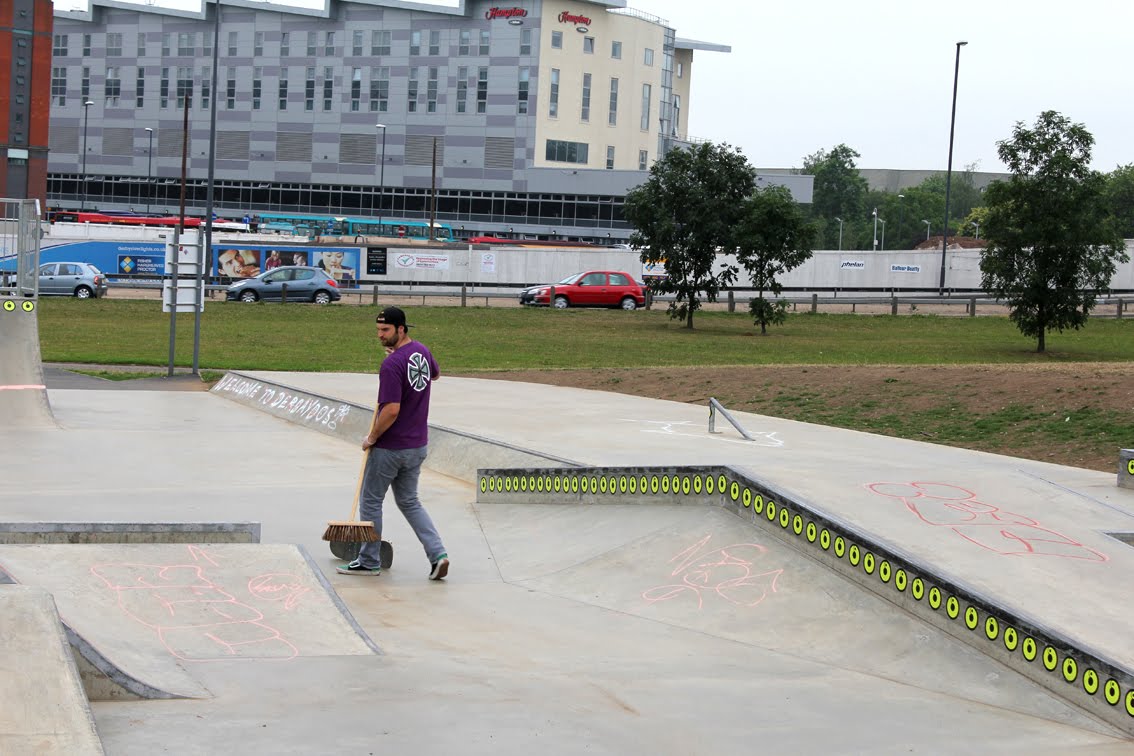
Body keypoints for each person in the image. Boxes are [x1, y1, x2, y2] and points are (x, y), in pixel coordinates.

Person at [338, 306, 449, 580]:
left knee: (371, 502)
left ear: (401, 329)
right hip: (418, 445)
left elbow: (391, 410)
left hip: (391, 448)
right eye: (378, 330)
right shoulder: (421, 351)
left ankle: (368, 560)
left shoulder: (391, 365)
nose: (380, 335)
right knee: (410, 501)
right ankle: (438, 555)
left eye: (385, 330)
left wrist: (372, 438)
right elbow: (434, 375)